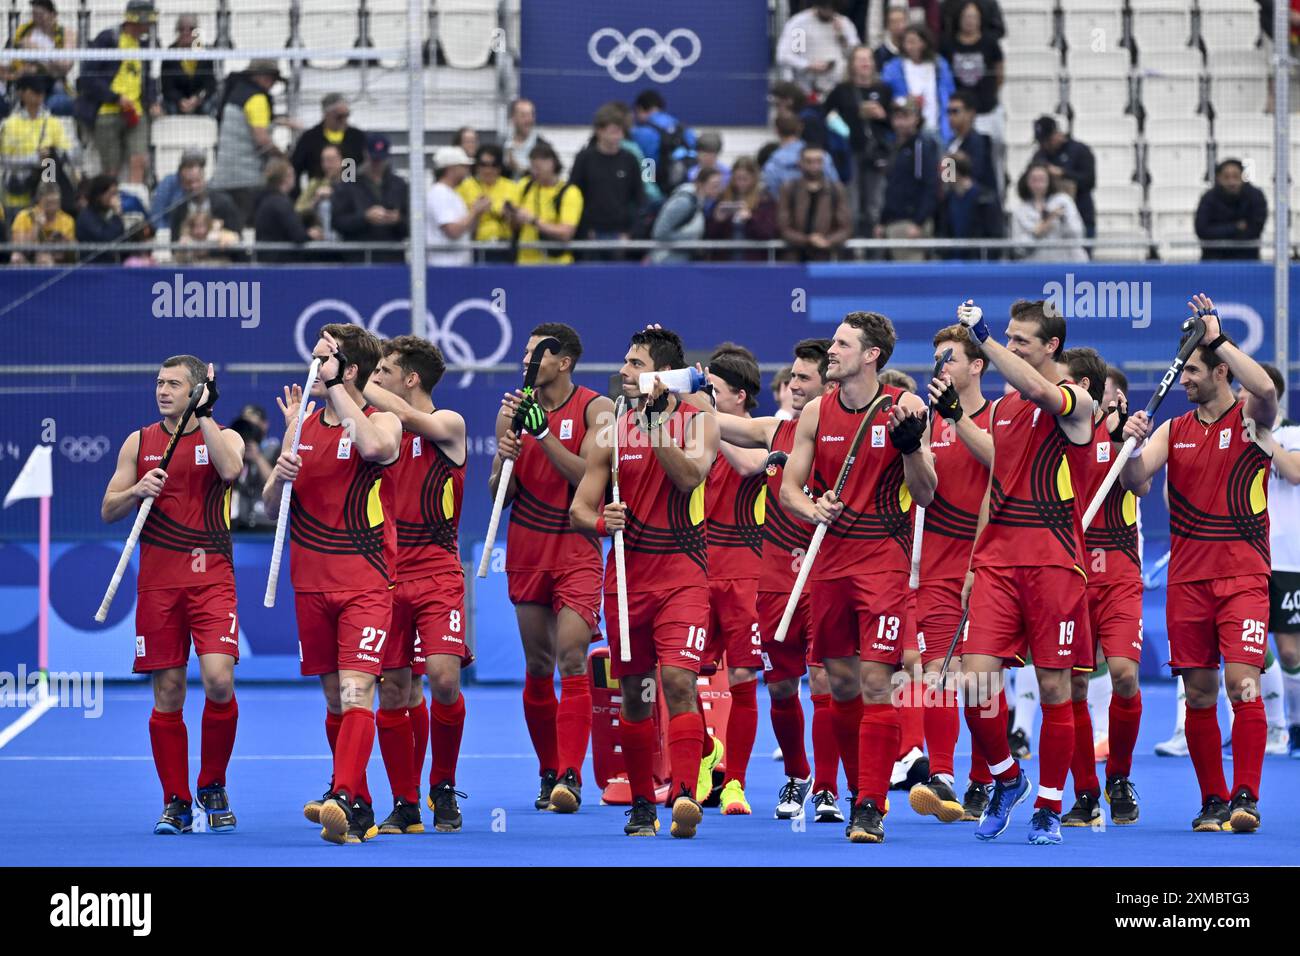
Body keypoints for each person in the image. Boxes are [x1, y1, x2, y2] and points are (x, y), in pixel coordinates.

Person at [1120, 294, 1276, 834]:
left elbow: (1267, 389)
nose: (1182, 379)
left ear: (1219, 370)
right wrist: (1131, 450)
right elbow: (1137, 484)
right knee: (1200, 695)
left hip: (1243, 576)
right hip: (1188, 581)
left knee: (1243, 684)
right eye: (1181, 370)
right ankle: (1213, 800)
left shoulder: (1252, 422)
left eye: (1191, 370)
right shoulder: (1174, 429)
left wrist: (1218, 336)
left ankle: (1246, 796)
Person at [780, 311, 937, 842]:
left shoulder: (904, 409)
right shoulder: (816, 413)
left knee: (876, 683)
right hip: (828, 564)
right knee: (841, 686)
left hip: (883, 564)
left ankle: (870, 804)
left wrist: (912, 446)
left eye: (843, 344)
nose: (832, 350)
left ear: (871, 355)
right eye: (833, 342)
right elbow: (789, 489)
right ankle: (856, 789)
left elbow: (926, 492)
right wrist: (811, 509)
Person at [955, 298, 1096, 846]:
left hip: (1056, 565)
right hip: (997, 565)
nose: (1010, 348)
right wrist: (974, 561)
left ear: (1051, 347)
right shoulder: (1005, 409)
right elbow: (998, 483)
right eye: (1006, 339)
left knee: (1056, 688)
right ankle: (1007, 778)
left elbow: (1041, 391)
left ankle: (1049, 807)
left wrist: (984, 338)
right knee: (976, 684)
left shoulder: (1074, 401)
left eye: (1021, 341)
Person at [569, 327, 721, 838]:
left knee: (678, 682)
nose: (624, 372)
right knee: (633, 693)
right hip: (626, 580)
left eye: (635, 363)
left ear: (660, 374)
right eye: (626, 362)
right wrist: (600, 521)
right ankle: (640, 804)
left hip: (682, 574)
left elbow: (690, 477)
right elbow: (579, 508)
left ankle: (681, 794)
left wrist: (657, 428)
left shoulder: (698, 420)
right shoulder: (610, 428)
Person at [264, 324, 403, 845]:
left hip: (364, 581)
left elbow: (372, 447)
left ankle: (341, 792)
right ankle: (360, 806)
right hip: (310, 581)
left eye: (325, 357)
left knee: (357, 690)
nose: (313, 363)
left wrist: (342, 391)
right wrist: (280, 472)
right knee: (334, 699)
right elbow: (268, 507)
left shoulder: (380, 419)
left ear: (347, 369)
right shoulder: (302, 424)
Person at [99, 355, 245, 834]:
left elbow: (231, 471)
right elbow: (107, 509)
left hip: (212, 580)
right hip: (159, 584)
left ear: (196, 389)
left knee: (220, 682)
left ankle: (212, 784)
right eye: (159, 383)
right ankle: (176, 802)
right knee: (168, 692)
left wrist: (204, 416)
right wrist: (138, 489)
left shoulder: (223, 435)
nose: (162, 390)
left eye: (174, 384)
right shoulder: (138, 442)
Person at [712, 338, 848, 821]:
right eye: (791, 376)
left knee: (823, 679)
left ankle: (828, 789)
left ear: (829, 386)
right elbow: (726, 431)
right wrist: (676, 392)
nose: (791, 384)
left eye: (803, 378)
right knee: (782, 688)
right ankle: (797, 775)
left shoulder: (849, 436)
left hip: (824, 577)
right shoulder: (777, 429)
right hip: (771, 582)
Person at [489, 324, 613, 812]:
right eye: (523, 351)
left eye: (535, 353)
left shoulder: (596, 409)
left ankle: (570, 775)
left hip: (577, 545)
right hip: (527, 545)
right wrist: (504, 462)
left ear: (562, 361)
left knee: (571, 658)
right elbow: (501, 494)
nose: (525, 360)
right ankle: (547, 772)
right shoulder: (511, 411)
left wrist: (542, 433)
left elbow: (592, 477)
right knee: (539, 666)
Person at [362, 335, 470, 835]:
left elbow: (412, 419)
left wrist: (353, 382)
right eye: (373, 370)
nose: (375, 377)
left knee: (444, 679)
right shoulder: (377, 432)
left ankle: (442, 785)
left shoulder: (448, 425)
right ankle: (404, 803)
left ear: (410, 379)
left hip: (439, 573)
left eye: (384, 370)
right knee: (394, 692)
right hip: (384, 576)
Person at [904, 324, 996, 824]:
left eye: (951, 358)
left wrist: (959, 420)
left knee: (982, 681)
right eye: (936, 357)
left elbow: (1000, 463)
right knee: (940, 672)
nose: (941, 366)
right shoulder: (924, 418)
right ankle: (941, 776)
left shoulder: (997, 415)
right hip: (937, 565)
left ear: (976, 365)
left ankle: (987, 779)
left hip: (990, 565)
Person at [1058, 347, 1143, 827]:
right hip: (1070, 574)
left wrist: (1128, 442)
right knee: (1071, 687)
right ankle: (1085, 794)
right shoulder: (1058, 437)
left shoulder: (1127, 441)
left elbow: (1143, 486)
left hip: (1119, 576)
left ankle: (1118, 776)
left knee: (1125, 677)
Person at [695, 344, 768, 816]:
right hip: (695, 567)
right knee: (678, 676)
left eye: (714, 393)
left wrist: (707, 422)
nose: (706, 400)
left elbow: (747, 465)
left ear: (738, 397)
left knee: (742, 676)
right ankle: (706, 753)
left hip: (746, 574)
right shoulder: (692, 435)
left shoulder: (765, 433)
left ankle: (736, 782)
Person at [1255, 363, 1300, 757]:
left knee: (1288, 651)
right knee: (1251, 648)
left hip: (1288, 559)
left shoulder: (1292, 434)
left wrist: (1264, 436)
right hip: (1250, 556)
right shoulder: (1235, 432)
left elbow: (1296, 473)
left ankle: (1296, 723)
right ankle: (1274, 728)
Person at [75, 0, 161, 183]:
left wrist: (153, 101)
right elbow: (87, 78)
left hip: (136, 112)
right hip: (107, 112)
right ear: (133, 21)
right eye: (145, 23)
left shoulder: (148, 45)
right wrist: (115, 98)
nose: (147, 28)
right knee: (110, 169)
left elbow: (150, 77)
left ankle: (134, 201)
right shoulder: (108, 39)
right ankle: (110, 201)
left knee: (139, 160)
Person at [822, 45, 895, 237]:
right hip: (850, 152)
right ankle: (852, 251)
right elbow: (826, 117)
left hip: (877, 153)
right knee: (851, 205)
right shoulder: (841, 91)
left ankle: (873, 251)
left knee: (874, 205)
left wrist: (882, 115)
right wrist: (848, 123)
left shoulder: (884, 90)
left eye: (868, 58)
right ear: (852, 64)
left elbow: (896, 123)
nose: (865, 63)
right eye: (860, 59)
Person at [210, 59, 286, 224]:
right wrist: (284, 157)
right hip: (247, 180)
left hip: (225, 176)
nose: (272, 85)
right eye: (271, 79)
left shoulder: (236, 93)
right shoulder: (257, 99)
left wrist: (283, 122)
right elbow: (262, 139)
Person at [568, 103, 645, 247]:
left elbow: (640, 199)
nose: (619, 136)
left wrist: (631, 233)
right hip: (590, 234)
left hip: (621, 234)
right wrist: (584, 230)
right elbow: (573, 195)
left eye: (621, 131)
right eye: (614, 131)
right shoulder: (584, 159)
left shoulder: (630, 159)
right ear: (599, 131)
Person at [940, 1, 1005, 171]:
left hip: (986, 111)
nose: (969, 21)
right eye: (966, 17)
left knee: (987, 157)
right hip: (957, 113)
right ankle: (951, 190)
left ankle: (990, 193)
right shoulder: (947, 44)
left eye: (973, 17)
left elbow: (999, 75)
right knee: (951, 154)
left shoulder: (990, 43)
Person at [876, 97, 940, 260]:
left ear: (916, 118)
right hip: (893, 222)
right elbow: (892, 188)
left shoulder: (922, 146)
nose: (900, 122)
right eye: (897, 117)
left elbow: (931, 186)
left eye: (906, 116)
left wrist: (919, 222)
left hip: (910, 223)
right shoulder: (894, 148)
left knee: (912, 278)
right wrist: (882, 221)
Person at [0, 75, 71, 221]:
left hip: (44, 196)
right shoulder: (10, 124)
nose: (39, 95)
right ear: (22, 93)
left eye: (42, 92)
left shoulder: (53, 122)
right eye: (35, 91)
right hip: (17, 193)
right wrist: (35, 159)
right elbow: (5, 160)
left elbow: (70, 154)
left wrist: (52, 152)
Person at [332, 132, 408, 262]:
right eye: (374, 159)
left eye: (381, 159)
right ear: (365, 154)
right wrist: (365, 218)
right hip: (357, 259)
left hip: (391, 259)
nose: (377, 164)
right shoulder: (348, 185)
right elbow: (337, 222)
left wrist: (398, 220)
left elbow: (412, 224)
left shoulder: (399, 185)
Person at [506, 141, 583, 265]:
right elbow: (513, 226)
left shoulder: (569, 192)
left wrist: (534, 221)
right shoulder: (525, 185)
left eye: (538, 168)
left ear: (552, 164)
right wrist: (512, 216)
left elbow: (566, 233)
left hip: (557, 264)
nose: (534, 172)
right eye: (532, 167)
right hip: (525, 263)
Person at [777, 145, 854, 262]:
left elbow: (845, 227)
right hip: (794, 258)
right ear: (800, 163)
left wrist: (828, 241)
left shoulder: (836, 189)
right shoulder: (789, 189)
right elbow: (783, 227)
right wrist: (807, 240)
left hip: (826, 257)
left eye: (818, 161)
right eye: (809, 161)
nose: (814, 166)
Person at [881, 24, 956, 142]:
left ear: (924, 43)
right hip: (908, 130)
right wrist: (904, 101)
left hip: (936, 126)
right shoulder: (893, 68)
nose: (910, 46)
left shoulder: (939, 64)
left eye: (914, 41)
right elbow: (887, 96)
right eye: (907, 42)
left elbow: (949, 93)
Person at [2, 0, 77, 116]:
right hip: (29, 83)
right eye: (34, 14)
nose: (37, 19)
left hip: (55, 85)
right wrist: (51, 66)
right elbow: (15, 65)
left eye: (41, 15)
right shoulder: (23, 32)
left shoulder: (66, 33)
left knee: (59, 103)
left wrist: (39, 51)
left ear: (53, 15)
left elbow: (66, 65)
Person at [1030, 115, 1096, 240]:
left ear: (1056, 134)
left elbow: (1089, 181)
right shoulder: (1039, 155)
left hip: (1082, 214)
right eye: (1041, 142)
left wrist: (1063, 173)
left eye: (1047, 140)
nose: (1044, 145)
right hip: (1051, 221)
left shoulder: (1080, 150)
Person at [777, 1, 862, 97]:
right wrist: (808, 65)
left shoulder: (844, 24)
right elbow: (785, 56)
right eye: (825, 7)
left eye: (832, 8)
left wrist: (841, 36)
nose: (828, 12)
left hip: (838, 90)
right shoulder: (801, 24)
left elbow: (855, 55)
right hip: (808, 91)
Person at [704, 156, 779, 261]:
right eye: (737, 178)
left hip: (754, 261)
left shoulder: (765, 201)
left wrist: (751, 218)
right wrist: (717, 220)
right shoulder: (722, 198)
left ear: (754, 178)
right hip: (724, 261)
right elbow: (709, 235)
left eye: (745, 179)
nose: (740, 183)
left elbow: (769, 232)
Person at [1010, 162, 1086, 262]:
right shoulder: (1020, 210)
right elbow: (1018, 248)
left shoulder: (1063, 201)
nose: (1038, 184)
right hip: (1036, 267)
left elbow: (1077, 233)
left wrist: (1062, 218)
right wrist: (1037, 233)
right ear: (1026, 182)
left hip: (1067, 264)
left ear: (1049, 181)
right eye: (1034, 180)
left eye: (1042, 179)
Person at [1195, 159, 1268, 261]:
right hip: (1213, 261)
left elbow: (1255, 229)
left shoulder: (1255, 196)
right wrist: (1236, 227)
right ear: (1219, 178)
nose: (1231, 182)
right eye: (1226, 177)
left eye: (1235, 176)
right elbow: (1202, 230)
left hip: (1247, 260)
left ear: (1243, 177)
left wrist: (1218, 230)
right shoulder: (1208, 198)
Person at [426, 144, 487, 266]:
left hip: (457, 265)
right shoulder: (439, 193)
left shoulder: (453, 193)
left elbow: (466, 229)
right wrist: (474, 211)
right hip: (444, 266)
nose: (467, 170)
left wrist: (477, 213)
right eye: (463, 166)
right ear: (451, 168)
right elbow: (453, 231)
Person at [291, 93, 367, 188]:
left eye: (346, 115)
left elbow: (366, 166)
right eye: (339, 117)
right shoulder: (310, 138)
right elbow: (295, 168)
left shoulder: (356, 137)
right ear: (326, 114)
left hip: (350, 193)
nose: (344, 120)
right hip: (319, 191)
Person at [650, 166, 724, 263]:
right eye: (715, 185)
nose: (718, 190)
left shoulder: (701, 203)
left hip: (682, 261)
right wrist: (693, 243)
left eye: (720, 185)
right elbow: (660, 233)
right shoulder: (684, 202)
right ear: (700, 184)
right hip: (667, 261)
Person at [254, 158, 321, 261]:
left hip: (267, 259)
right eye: (293, 175)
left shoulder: (266, 200)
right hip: (281, 262)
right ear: (287, 177)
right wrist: (311, 234)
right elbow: (299, 236)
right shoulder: (281, 203)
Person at [631, 90, 698, 193]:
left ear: (640, 109)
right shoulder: (684, 129)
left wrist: (651, 194)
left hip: (659, 189)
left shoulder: (642, 132)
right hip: (684, 188)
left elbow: (648, 163)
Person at [936, 153, 1003, 256]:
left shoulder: (986, 199)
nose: (940, 175)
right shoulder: (947, 200)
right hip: (952, 263)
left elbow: (995, 234)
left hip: (977, 264)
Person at [456, 143, 516, 255]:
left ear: (500, 167)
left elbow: (514, 216)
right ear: (477, 166)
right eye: (484, 164)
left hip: (505, 245)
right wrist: (477, 211)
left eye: (494, 165)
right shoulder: (466, 186)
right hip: (476, 244)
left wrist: (503, 213)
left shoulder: (511, 186)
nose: (488, 170)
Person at [164, 152, 242, 237]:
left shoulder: (224, 204)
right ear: (182, 184)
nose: (194, 186)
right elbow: (175, 242)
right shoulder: (179, 210)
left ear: (203, 178)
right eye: (188, 182)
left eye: (197, 181)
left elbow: (237, 235)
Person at [160, 13, 217, 116]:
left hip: (199, 99)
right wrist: (180, 100)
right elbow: (167, 86)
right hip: (177, 101)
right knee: (169, 107)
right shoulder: (169, 53)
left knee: (210, 105)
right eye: (182, 29)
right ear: (177, 31)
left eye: (191, 29)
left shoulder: (205, 52)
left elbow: (210, 84)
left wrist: (197, 98)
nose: (186, 32)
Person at [944, 90, 996, 197]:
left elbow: (977, 174)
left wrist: (961, 161)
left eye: (955, 111)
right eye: (948, 112)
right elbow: (947, 178)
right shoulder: (951, 143)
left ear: (970, 113)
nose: (950, 117)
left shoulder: (979, 142)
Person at [9, 180, 74, 264]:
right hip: (28, 259)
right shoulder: (24, 216)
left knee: (44, 259)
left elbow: (70, 251)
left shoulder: (67, 220)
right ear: (40, 200)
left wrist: (61, 241)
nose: (53, 208)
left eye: (56, 203)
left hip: (55, 261)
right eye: (49, 203)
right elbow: (20, 247)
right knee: (16, 258)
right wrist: (37, 226)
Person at [294, 143, 344, 240]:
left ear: (341, 160)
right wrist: (316, 200)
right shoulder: (315, 184)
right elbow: (298, 211)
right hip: (321, 238)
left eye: (331, 160)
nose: (327, 165)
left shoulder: (352, 185)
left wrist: (336, 194)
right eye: (324, 160)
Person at [502, 97, 550, 179]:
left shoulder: (542, 146)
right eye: (523, 115)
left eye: (531, 115)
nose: (529, 119)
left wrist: (518, 169)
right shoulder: (503, 143)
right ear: (513, 118)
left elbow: (546, 176)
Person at [75, 173, 125, 249]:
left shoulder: (104, 214)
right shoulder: (86, 217)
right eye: (112, 194)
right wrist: (116, 215)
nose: (115, 198)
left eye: (116, 193)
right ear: (99, 195)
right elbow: (107, 238)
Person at [875, 2, 911, 72]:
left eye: (901, 21)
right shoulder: (879, 53)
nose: (898, 25)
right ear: (887, 25)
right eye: (894, 22)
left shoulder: (913, 50)